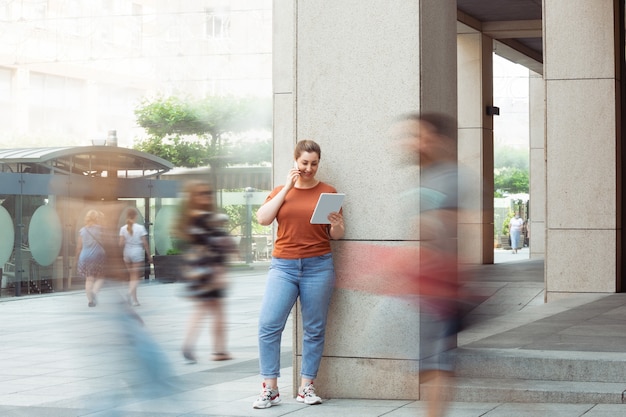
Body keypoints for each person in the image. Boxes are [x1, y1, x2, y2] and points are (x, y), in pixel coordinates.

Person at [252, 139, 345, 409]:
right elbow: (263, 219)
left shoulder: (328, 192)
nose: (309, 168)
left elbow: (336, 236)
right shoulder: (282, 190)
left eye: (314, 163)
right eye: (304, 162)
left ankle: (307, 387)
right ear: (295, 161)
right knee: (269, 325)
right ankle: (270, 389)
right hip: (284, 266)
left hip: (319, 265)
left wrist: (338, 225)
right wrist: (288, 188)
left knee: (314, 328)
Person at [392, 112, 468, 417]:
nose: (408, 141)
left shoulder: (450, 177)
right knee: (428, 365)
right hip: (422, 286)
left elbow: (453, 228)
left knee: (436, 364)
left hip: (441, 286)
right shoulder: (424, 177)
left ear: (434, 139)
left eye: (415, 134)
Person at [177, 180, 237, 364]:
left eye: (208, 192)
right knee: (215, 310)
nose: (207, 196)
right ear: (194, 197)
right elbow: (217, 240)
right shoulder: (204, 217)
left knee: (203, 308)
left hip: (196, 269)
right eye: (202, 193)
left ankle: (190, 345)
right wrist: (221, 265)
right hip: (210, 269)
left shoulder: (189, 218)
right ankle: (218, 351)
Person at [119, 208, 153, 306]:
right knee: (135, 278)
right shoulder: (140, 228)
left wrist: (127, 240)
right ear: (136, 216)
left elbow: (120, 244)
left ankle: (135, 300)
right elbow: (145, 243)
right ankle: (129, 294)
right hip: (137, 253)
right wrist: (149, 256)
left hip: (127, 253)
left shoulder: (123, 228)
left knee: (132, 277)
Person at [75, 209, 106, 307]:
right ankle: (94, 292)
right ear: (96, 218)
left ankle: (90, 301)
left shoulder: (82, 230)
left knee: (89, 279)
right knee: (101, 277)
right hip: (97, 257)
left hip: (84, 257)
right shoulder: (100, 229)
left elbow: (79, 247)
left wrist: (76, 258)